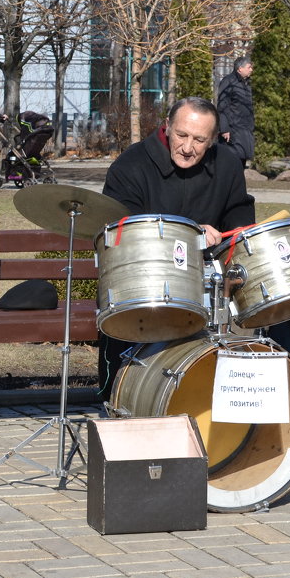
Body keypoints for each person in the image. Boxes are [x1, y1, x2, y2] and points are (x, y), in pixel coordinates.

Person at [98, 97, 256, 394]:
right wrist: (191, 235)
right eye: (182, 135)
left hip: (208, 285)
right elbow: (122, 236)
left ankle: (245, 399)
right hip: (143, 285)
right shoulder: (130, 165)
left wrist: (222, 233)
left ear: (212, 141)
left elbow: (241, 222)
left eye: (199, 140)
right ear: (167, 127)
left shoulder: (227, 164)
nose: (188, 147)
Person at [216, 56, 254, 166]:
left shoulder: (246, 84)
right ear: (240, 68)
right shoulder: (229, 81)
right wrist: (224, 129)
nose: (251, 70)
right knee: (231, 162)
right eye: (249, 67)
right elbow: (222, 106)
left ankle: (238, 183)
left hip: (245, 129)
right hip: (233, 130)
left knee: (242, 161)